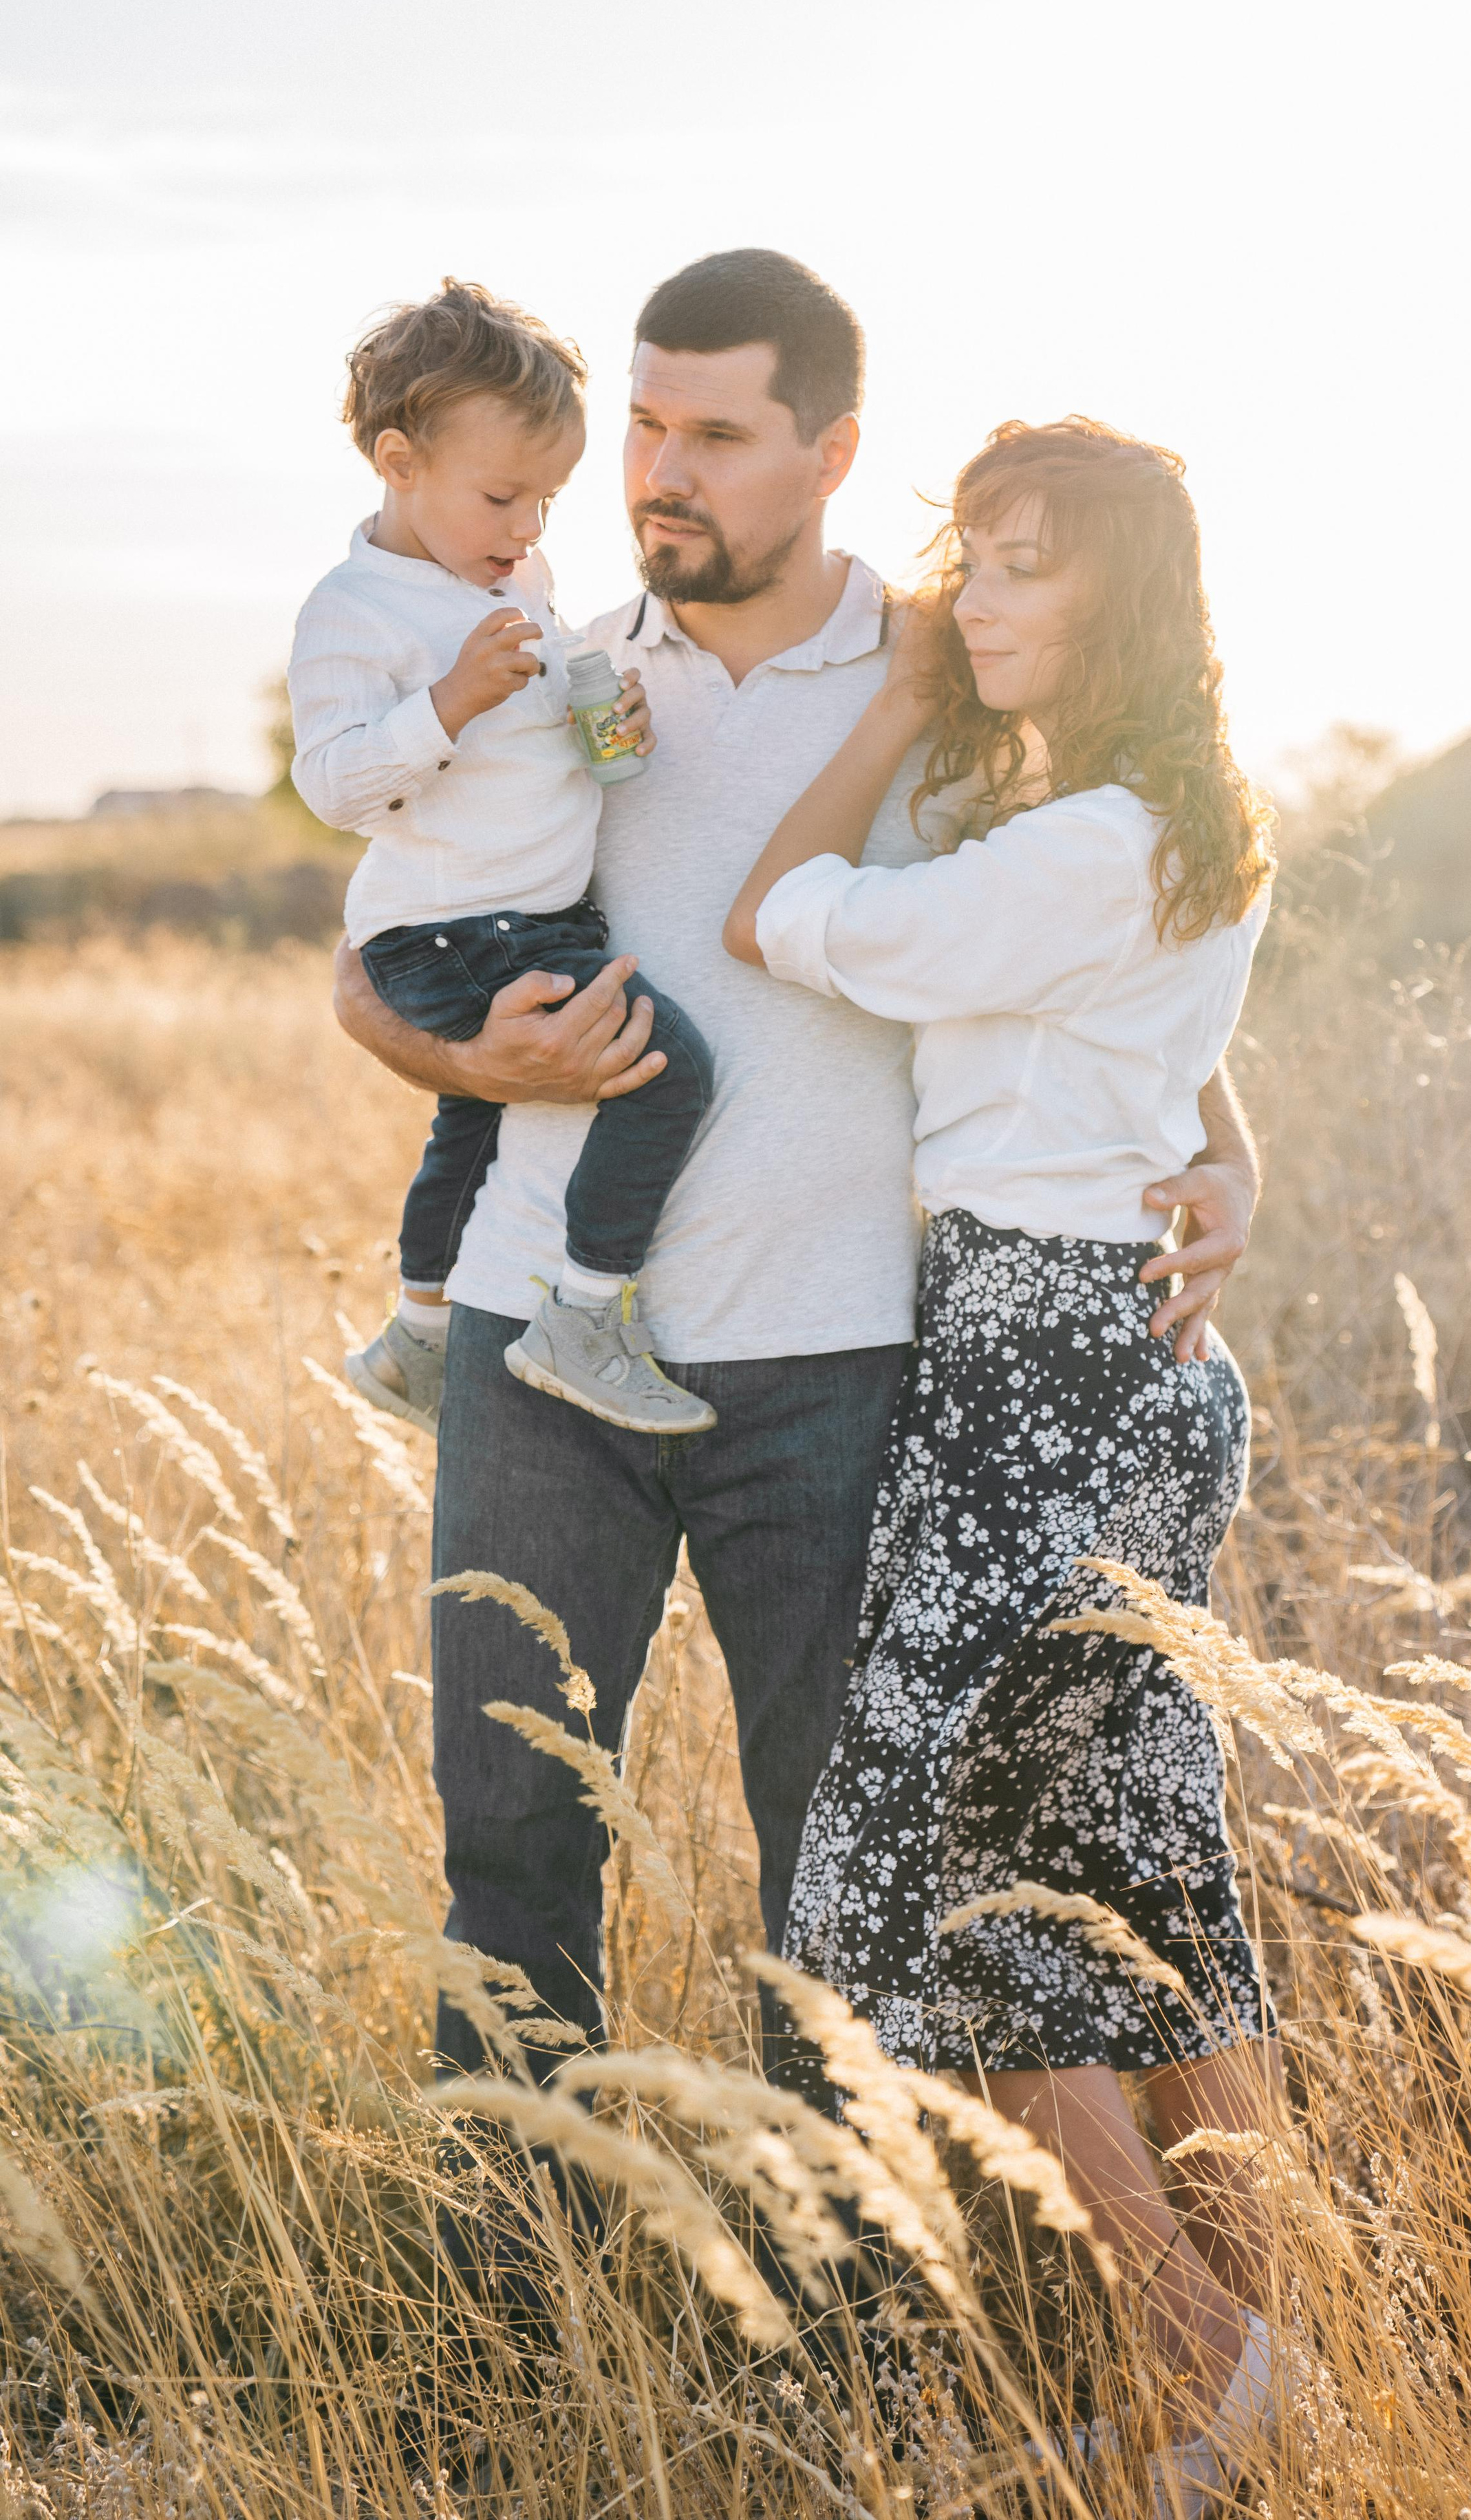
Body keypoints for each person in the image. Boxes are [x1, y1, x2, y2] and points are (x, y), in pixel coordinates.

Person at [331, 252, 1260, 2101]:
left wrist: (1229, 1148)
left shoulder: (957, 684)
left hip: (835, 1367)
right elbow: (371, 948)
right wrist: (462, 1056)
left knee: (839, 1874)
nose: (660, 472)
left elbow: (1106, 942)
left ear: (831, 450)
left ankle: (851, 2330)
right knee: (510, 1842)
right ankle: (512, 2309)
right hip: (540, 1344)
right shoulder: (551, 673)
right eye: (648, 430)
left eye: (719, 435)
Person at [724, 416, 1284, 2496]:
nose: (976, 592)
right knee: (1136, 1865)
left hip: (1038, 1360)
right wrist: (1235, 1154)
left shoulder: (1071, 846)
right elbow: (1164, 1054)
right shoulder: (1160, 824)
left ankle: (1203, 2342)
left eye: (1023, 561)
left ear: (1117, 594)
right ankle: (1245, 2355)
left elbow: (787, 915)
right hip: (1106, 1357)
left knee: (967, 1874)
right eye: (971, 554)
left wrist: (883, 703)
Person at [291, 278, 717, 1440]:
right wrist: (448, 704)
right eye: (502, 496)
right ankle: (583, 1315)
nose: (529, 529)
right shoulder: (355, 609)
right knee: (665, 1067)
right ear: (399, 460)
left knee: (469, 1127)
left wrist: (601, 722)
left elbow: (540, 743)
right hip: (449, 926)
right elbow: (332, 785)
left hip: (536, 915)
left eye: (548, 500)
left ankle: (419, 1336)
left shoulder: (511, 577)